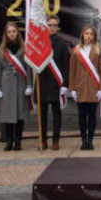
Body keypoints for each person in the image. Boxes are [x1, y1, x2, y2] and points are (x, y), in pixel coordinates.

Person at [0, 22, 31, 151]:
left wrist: (29, 85)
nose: (12, 34)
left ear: (18, 33)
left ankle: (18, 141)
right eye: (9, 32)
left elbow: (29, 68)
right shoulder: (1, 50)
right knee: (8, 114)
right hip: (7, 84)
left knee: (20, 114)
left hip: (21, 83)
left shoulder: (25, 49)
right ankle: (9, 141)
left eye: (14, 31)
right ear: (6, 34)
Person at [68, 25, 101, 151]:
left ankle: (91, 140)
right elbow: (72, 70)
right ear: (82, 35)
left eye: (91, 34)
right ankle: (84, 140)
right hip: (80, 88)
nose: (89, 36)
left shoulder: (97, 50)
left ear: (94, 36)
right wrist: (72, 88)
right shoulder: (76, 50)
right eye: (86, 33)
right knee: (82, 116)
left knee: (92, 117)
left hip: (94, 88)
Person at [37, 15, 71, 151]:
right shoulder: (39, 42)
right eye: (49, 25)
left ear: (57, 27)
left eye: (54, 25)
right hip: (42, 82)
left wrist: (65, 85)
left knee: (56, 113)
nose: (52, 28)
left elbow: (66, 66)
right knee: (42, 114)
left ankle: (56, 140)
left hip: (56, 83)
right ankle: (43, 139)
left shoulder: (62, 44)